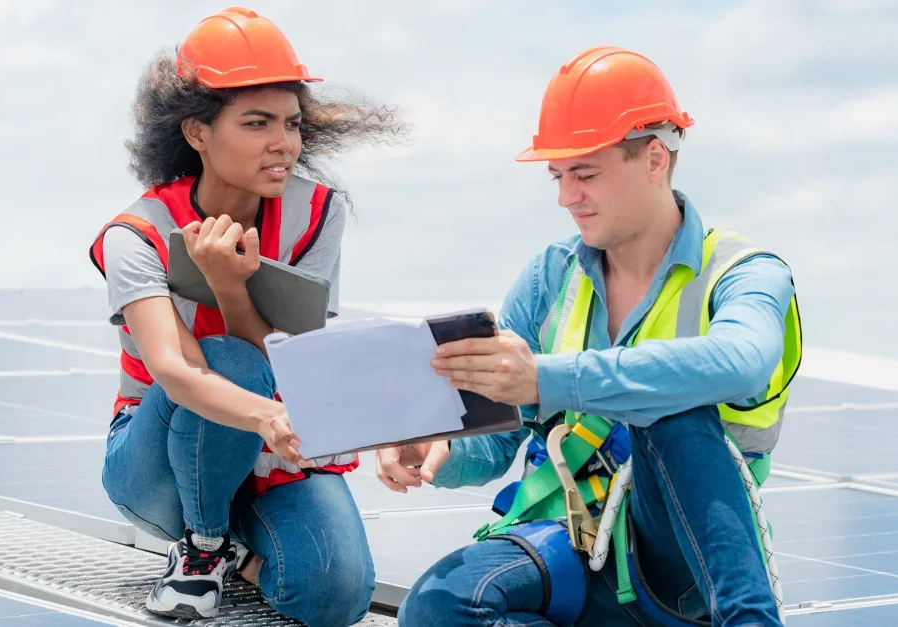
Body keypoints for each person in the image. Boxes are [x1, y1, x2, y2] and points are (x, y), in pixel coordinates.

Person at [378, 46, 801, 627]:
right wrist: (442, 449)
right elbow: (498, 440)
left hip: (681, 569)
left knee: (669, 409)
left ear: (655, 159)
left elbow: (743, 361)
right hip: (567, 543)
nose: (565, 196)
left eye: (585, 173)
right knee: (437, 609)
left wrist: (548, 379)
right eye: (558, 176)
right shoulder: (550, 275)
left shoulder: (744, 273)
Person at [88, 8, 407, 625]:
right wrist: (271, 415)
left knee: (335, 599)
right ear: (198, 133)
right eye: (256, 123)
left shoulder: (316, 214)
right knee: (228, 363)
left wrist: (231, 290)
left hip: (267, 449)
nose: (283, 143)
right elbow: (175, 370)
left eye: (291, 123)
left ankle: (241, 551)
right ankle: (203, 548)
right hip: (155, 463)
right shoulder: (138, 234)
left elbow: (295, 357)